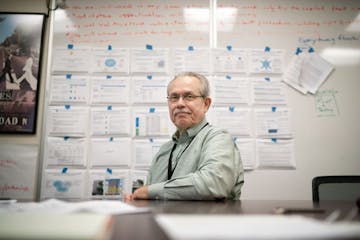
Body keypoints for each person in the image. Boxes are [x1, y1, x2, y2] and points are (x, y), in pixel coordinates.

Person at [129, 72, 244, 200]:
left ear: (206, 104)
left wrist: (150, 191)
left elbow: (215, 183)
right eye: (174, 97)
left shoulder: (218, 138)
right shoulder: (164, 151)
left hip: (207, 219)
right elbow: (146, 195)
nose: (179, 104)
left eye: (189, 97)